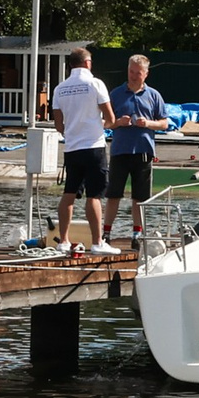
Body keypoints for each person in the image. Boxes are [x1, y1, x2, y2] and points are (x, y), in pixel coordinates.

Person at [49, 47, 117, 254]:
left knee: (69, 193)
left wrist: (73, 129)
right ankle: (97, 242)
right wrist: (100, 125)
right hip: (93, 146)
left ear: (70, 64)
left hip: (72, 148)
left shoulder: (60, 88)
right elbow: (110, 119)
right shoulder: (95, 84)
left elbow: (59, 125)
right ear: (88, 63)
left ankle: (63, 241)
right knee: (94, 196)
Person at [104, 54, 168, 243]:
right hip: (120, 151)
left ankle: (136, 234)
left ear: (146, 74)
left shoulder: (154, 95)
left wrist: (147, 123)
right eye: (131, 71)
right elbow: (105, 123)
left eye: (137, 73)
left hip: (143, 152)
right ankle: (106, 233)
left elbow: (164, 123)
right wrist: (118, 122)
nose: (133, 76)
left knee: (139, 197)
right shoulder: (115, 94)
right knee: (113, 194)